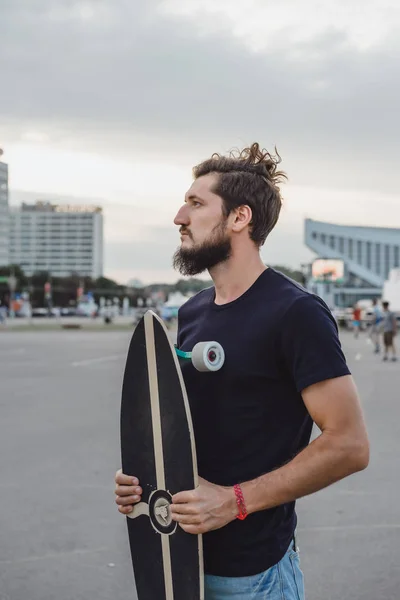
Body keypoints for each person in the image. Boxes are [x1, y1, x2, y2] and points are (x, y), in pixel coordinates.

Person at [115, 143, 369, 600]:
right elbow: (193, 430)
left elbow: (349, 445)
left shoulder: (296, 314)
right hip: (179, 562)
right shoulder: (193, 312)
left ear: (239, 218)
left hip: (253, 578)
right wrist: (144, 479)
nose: (179, 216)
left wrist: (232, 503)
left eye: (195, 203)